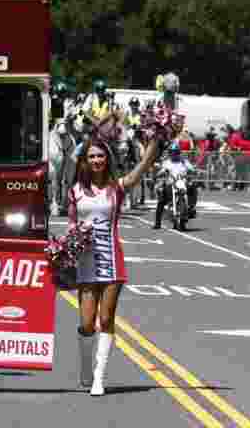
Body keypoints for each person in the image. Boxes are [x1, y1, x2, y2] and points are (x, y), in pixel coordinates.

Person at [69, 135, 159, 396]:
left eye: (100, 155)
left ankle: (99, 377)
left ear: (107, 158)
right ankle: (86, 367)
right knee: (87, 323)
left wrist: (157, 139)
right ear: (85, 161)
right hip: (86, 262)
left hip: (112, 260)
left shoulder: (117, 187)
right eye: (92, 156)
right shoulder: (74, 190)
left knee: (106, 318)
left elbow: (142, 167)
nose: (96, 160)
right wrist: (67, 248)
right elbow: (72, 224)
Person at [153, 143, 197, 229]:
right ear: (169, 153)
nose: (174, 154)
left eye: (176, 152)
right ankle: (157, 223)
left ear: (179, 153)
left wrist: (193, 170)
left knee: (192, 186)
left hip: (182, 182)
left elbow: (191, 168)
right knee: (161, 197)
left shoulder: (184, 161)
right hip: (171, 183)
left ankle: (191, 207)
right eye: (172, 152)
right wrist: (158, 174)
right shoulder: (167, 162)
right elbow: (162, 170)